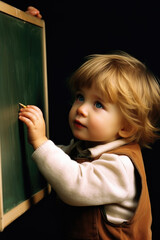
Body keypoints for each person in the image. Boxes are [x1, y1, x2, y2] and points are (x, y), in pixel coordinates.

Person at [19, 49, 160, 239]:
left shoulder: (121, 167)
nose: (81, 109)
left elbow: (74, 184)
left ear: (126, 127)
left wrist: (41, 142)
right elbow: (59, 159)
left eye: (98, 105)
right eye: (80, 97)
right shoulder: (85, 148)